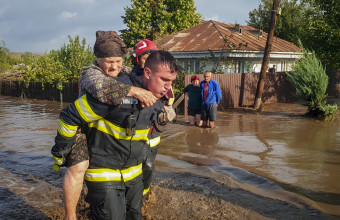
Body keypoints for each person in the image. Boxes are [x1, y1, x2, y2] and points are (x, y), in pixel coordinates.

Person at [52, 50, 178, 219]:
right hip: (104, 173)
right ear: (147, 73)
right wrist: (61, 152)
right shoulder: (115, 93)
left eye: (171, 81)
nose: (168, 87)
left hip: (133, 174)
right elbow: (69, 116)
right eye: (165, 80)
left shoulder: (158, 96)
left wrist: (163, 117)